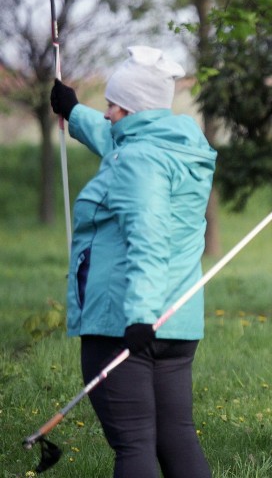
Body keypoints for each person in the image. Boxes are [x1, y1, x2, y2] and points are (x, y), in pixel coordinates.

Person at [50, 46, 217, 478]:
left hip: (124, 323)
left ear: (130, 108)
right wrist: (73, 111)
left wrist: (139, 317)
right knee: (176, 438)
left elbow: (147, 238)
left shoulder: (139, 161)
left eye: (111, 105)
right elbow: (116, 142)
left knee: (134, 446)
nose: (105, 114)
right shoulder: (177, 147)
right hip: (176, 324)